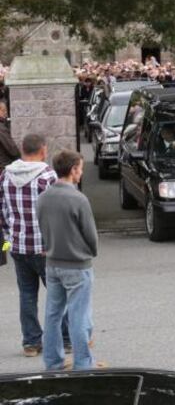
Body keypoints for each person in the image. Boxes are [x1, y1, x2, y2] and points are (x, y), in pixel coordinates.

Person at [0, 134, 68, 357]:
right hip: (45, 245)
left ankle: (31, 342)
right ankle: (67, 338)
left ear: (22, 150)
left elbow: (3, 211)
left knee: (27, 294)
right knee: (59, 292)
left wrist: (10, 238)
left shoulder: (5, 175)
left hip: (19, 246)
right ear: (43, 150)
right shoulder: (47, 176)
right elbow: (56, 211)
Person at [39, 151, 99, 371]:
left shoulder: (43, 197)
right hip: (77, 264)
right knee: (78, 315)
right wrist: (91, 251)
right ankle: (83, 363)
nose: (82, 172)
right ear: (73, 169)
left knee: (53, 314)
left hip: (52, 263)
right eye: (81, 168)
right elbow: (90, 235)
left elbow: (42, 228)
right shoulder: (78, 198)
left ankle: (53, 362)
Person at [0, 102, 19, 172]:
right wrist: (20, 159)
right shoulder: (1, 128)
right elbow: (12, 149)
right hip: (3, 166)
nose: (6, 113)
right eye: (3, 110)